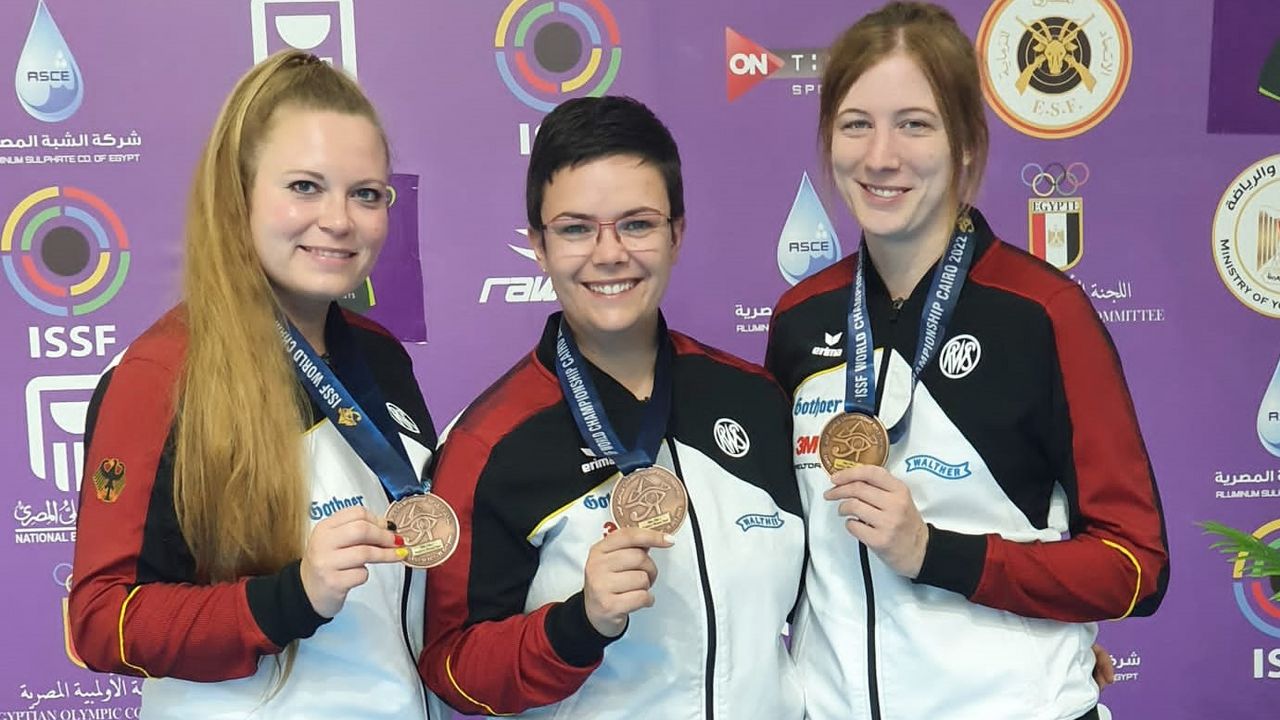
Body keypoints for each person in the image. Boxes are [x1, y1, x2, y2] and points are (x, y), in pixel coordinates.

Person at [764, 4, 1168, 719]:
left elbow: (1135, 566)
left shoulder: (1043, 313)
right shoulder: (801, 319)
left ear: (967, 144)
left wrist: (936, 553)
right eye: (857, 123)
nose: (880, 156)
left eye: (914, 124)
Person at [69, 50, 446, 719]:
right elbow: (100, 621)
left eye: (366, 193)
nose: (339, 219)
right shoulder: (157, 376)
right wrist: (291, 595)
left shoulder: (381, 359)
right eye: (305, 186)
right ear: (237, 193)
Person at [420, 96, 806, 719]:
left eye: (637, 223)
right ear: (538, 247)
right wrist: (579, 624)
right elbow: (451, 668)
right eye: (575, 228)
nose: (609, 253)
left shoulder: (756, 401)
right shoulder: (487, 442)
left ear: (676, 233)